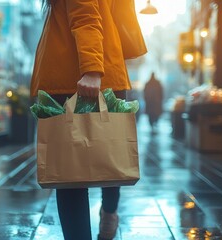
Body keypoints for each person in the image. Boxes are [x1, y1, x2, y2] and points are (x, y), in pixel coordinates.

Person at [30, 0, 146, 239]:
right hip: (107, 68)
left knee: (70, 174)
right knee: (109, 149)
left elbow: (86, 17)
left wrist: (92, 70)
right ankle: (110, 211)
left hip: (78, 76)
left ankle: (107, 214)